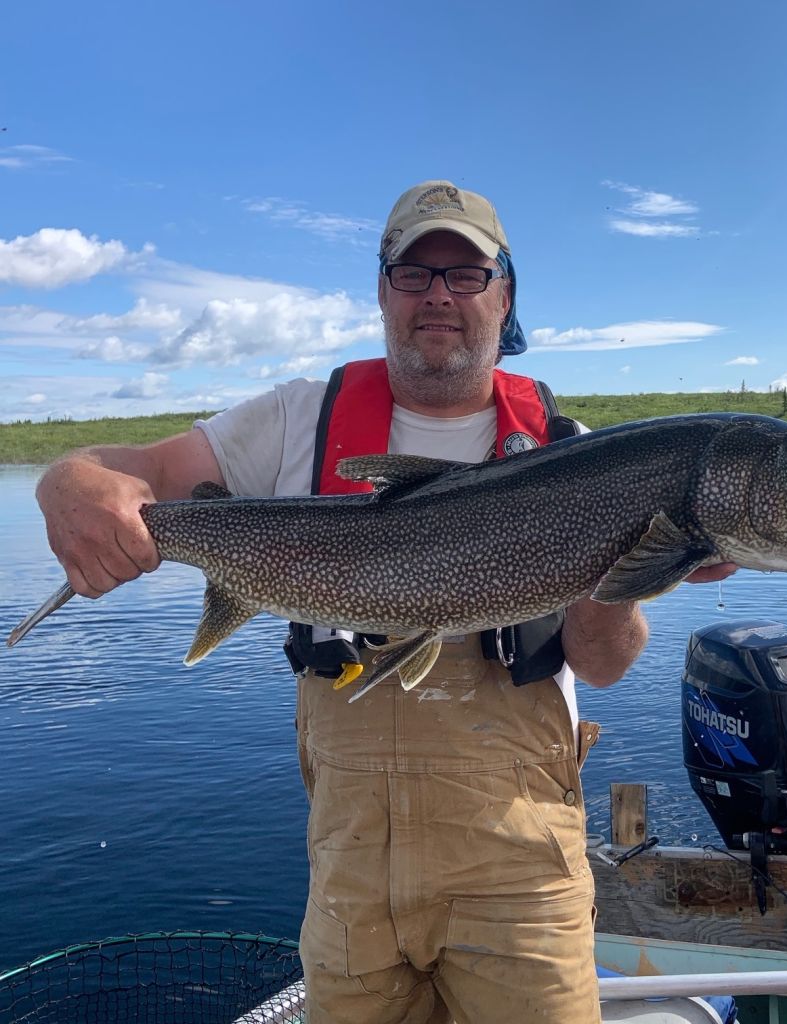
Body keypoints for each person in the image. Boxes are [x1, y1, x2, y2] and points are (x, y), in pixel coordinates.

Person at [35, 180, 736, 1024]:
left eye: (466, 274)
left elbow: (604, 663)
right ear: (382, 291)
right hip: (352, 871)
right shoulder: (298, 418)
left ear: (504, 296)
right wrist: (67, 484)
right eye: (415, 271)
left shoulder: (574, 453)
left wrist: (632, 573)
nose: (439, 294)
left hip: (523, 871)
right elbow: (131, 469)